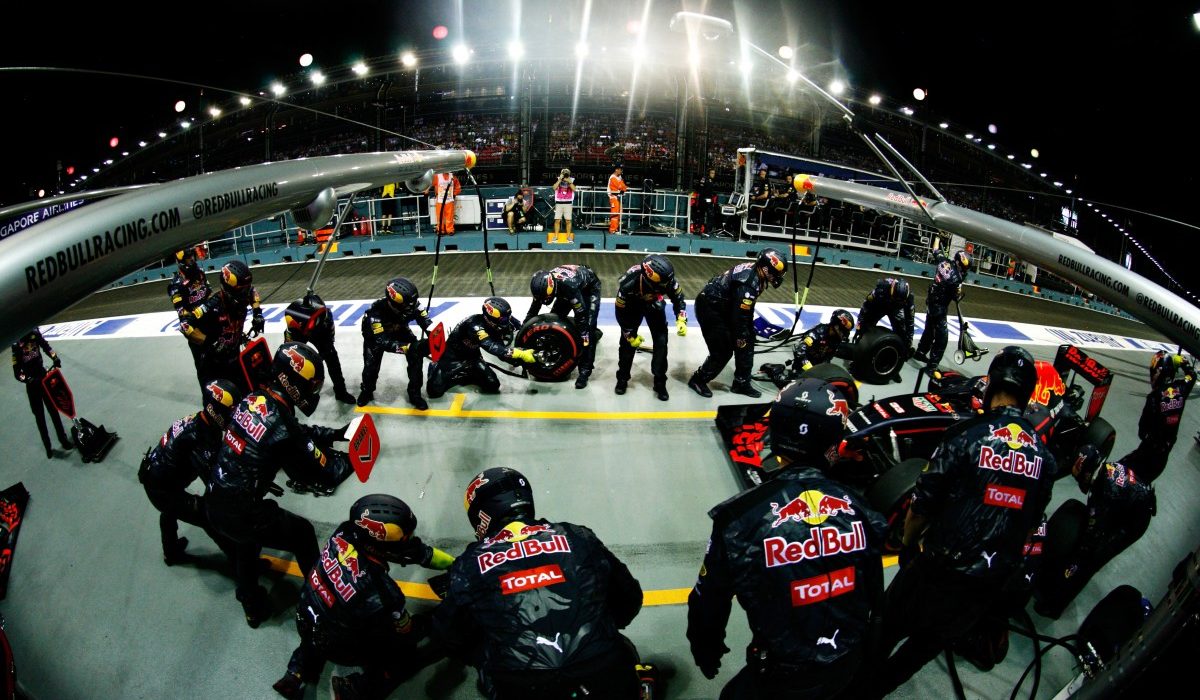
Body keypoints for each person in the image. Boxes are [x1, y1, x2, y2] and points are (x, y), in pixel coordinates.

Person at [688, 378, 886, 699]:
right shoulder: (864, 510)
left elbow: (708, 602)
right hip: (847, 661)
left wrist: (705, 650)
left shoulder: (738, 519)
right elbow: (874, 590)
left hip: (780, 673)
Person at [876, 346, 1056, 695]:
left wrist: (908, 544)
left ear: (993, 384)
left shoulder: (966, 434)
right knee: (912, 658)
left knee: (881, 634)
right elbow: (1032, 522)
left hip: (935, 572)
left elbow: (922, 503)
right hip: (980, 591)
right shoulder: (1045, 459)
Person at [431, 467, 647, 698]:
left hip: (523, 684)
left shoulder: (469, 563)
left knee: (489, 670)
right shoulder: (577, 535)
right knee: (621, 647)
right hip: (600, 667)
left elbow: (447, 635)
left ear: (480, 514)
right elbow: (630, 598)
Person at [205, 342, 354, 628]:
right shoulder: (282, 424)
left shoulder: (254, 399)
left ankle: (251, 607)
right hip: (242, 512)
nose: (313, 392)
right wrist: (354, 457)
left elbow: (296, 432)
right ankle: (318, 602)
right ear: (293, 382)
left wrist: (334, 434)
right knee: (302, 533)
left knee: (246, 544)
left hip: (214, 499)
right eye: (311, 385)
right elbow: (323, 473)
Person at [272, 494, 455, 700]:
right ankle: (352, 690)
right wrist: (429, 621)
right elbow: (406, 630)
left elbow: (414, 551)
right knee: (404, 650)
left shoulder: (345, 531)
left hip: (305, 616)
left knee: (318, 631)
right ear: (380, 546)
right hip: (339, 647)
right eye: (405, 537)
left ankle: (295, 671)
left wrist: (452, 562)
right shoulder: (384, 592)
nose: (410, 540)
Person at [1033, 447, 1156, 619]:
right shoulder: (1105, 473)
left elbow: (1092, 533)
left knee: (1089, 560)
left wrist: (1081, 550)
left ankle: (1054, 607)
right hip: (1129, 504)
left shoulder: (1106, 490)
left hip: (1133, 522)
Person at [140, 378, 242, 565]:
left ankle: (170, 552)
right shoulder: (199, 437)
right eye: (230, 412)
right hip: (161, 489)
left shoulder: (201, 422)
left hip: (157, 478)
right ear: (214, 410)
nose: (234, 416)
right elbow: (214, 483)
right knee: (206, 515)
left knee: (169, 510)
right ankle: (240, 563)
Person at [688, 248, 787, 399]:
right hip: (710, 309)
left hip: (725, 306)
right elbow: (738, 317)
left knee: (748, 339)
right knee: (724, 350)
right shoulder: (749, 284)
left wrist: (747, 333)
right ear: (767, 269)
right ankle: (698, 379)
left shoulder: (757, 273)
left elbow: (745, 310)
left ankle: (741, 383)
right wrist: (740, 336)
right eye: (777, 273)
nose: (778, 277)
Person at [426, 297, 537, 399]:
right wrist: (519, 354)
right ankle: (435, 366)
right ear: (490, 318)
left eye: (508, 317)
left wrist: (521, 360)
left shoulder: (495, 323)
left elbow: (502, 350)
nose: (507, 321)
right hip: (452, 358)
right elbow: (491, 346)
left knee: (492, 385)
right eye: (504, 320)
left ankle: (464, 374)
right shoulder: (475, 326)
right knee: (434, 391)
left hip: (472, 358)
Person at [181, 259, 264, 390]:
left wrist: (257, 313)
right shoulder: (212, 305)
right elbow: (185, 326)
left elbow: (253, 292)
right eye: (242, 290)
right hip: (213, 362)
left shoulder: (244, 293)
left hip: (233, 354)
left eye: (246, 288)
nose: (246, 293)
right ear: (228, 289)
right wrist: (210, 343)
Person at [614, 254, 687, 401]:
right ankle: (622, 378)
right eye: (663, 284)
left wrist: (681, 318)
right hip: (632, 307)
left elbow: (678, 298)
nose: (667, 286)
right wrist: (629, 334)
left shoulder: (667, 279)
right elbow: (620, 313)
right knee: (627, 345)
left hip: (654, 304)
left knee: (661, 342)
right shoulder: (627, 285)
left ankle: (660, 382)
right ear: (649, 280)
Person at [356, 277, 434, 410]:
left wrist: (434, 337)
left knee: (416, 357)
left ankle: (415, 394)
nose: (411, 308)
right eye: (406, 305)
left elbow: (426, 322)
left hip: (399, 328)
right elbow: (382, 342)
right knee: (371, 367)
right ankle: (367, 391)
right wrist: (409, 348)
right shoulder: (375, 311)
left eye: (413, 303)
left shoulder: (413, 304)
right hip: (375, 338)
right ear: (393, 303)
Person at [1118, 351, 1194, 481]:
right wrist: (1183, 362)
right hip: (1162, 458)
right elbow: (1192, 375)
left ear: (1160, 372)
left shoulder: (1154, 397)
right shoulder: (1181, 389)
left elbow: (1142, 432)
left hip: (1146, 455)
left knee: (1118, 473)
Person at [526, 265, 602, 389]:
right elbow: (532, 312)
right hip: (566, 287)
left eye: (546, 298)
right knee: (553, 320)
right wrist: (522, 333)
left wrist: (585, 336)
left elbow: (581, 314)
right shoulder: (542, 288)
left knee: (587, 330)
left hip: (588, 288)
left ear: (552, 289)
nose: (544, 301)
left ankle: (585, 371)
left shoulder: (569, 287)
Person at [11, 328, 73, 459]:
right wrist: (27, 379)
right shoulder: (16, 345)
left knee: (54, 410)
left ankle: (63, 440)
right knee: (40, 416)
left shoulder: (34, 334)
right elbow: (17, 373)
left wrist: (55, 357)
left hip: (44, 378)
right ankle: (48, 447)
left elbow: (47, 347)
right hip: (32, 385)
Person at [283, 294, 356, 405]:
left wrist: (320, 356)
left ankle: (340, 392)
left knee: (332, 358)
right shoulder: (293, 323)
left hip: (320, 333)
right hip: (300, 333)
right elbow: (289, 347)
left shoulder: (326, 318)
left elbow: (330, 339)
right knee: (291, 362)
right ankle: (291, 390)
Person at [914, 242, 970, 370]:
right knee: (942, 338)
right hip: (939, 308)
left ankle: (920, 352)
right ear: (958, 263)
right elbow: (956, 297)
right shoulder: (956, 279)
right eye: (964, 268)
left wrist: (938, 239)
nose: (965, 270)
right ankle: (932, 365)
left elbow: (935, 250)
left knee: (929, 330)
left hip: (931, 300)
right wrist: (960, 288)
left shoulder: (943, 261)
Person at [167, 248, 212, 374]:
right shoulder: (176, 285)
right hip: (197, 329)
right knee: (204, 367)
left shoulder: (200, 273)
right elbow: (182, 313)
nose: (192, 259)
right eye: (188, 258)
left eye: (192, 256)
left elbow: (209, 293)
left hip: (211, 323)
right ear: (181, 261)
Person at [854, 277, 916, 351]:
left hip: (896, 309)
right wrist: (858, 328)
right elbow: (865, 308)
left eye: (900, 301)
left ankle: (900, 350)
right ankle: (860, 341)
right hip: (880, 306)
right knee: (865, 326)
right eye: (895, 299)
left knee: (902, 333)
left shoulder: (909, 297)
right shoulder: (880, 290)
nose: (896, 301)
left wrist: (909, 340)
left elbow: (910, 320)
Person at [791, 309, 853, 375]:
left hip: (818, 366)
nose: (843, 334)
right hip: (804, 364)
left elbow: (829, 356)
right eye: (842, 330)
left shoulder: (836, 340)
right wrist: (809, 368)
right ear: (836, 325)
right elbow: (800, 351)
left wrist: (823, 368)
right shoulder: (817, 332)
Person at [429, 171, 461, 236]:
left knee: (450, 216)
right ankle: (440, 230)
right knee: (440, 216)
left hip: (449, 200)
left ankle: (450, 230)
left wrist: (454, 194)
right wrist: (426, 191)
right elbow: (430, 184)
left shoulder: (453, 177)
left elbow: (458, 187)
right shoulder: (437, 176)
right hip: (440, 200)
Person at [551, 169, 575, 243]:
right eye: (564, 173)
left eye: (567, 173)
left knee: (568, 220)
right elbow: (554, 188)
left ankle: (568, 237)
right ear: (561, 173)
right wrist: (560, 180)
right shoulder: (558, 179)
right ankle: (556, 236)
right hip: (559, 202)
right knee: (557, 220)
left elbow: (574, 189)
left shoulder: (572, 180)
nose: (565, 175)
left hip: (568, 203)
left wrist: (569, 181)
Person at [692, 168, 718, 236]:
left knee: (703, 215)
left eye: (714, 173)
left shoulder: (708, 180)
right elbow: (702, 189)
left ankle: (701, 229)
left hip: (704, 200)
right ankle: (705, 230)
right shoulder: (706, 180)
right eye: (712, 173)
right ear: (708, 173)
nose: (713, 174)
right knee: (708, 215)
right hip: (704, 200)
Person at [607, 163, 628, 234]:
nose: (621, 171)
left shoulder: (619, 177)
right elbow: (620, 186)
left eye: (622, 169)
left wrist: (623, 188)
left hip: (618, 197)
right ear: (616, 169)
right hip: (613, 197)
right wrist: (623, 188)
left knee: (619, 214)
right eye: (620, 169)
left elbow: (624, 187)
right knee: (615, 214)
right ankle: (612, 230)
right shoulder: (613, 177)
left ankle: (616, 229)